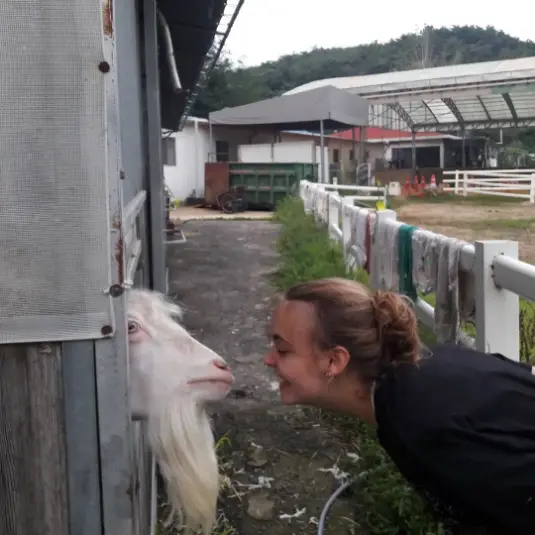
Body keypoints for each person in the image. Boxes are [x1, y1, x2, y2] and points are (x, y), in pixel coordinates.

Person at [264, 277, 535, 534]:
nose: (269, 360)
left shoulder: (421, 422)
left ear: (334, 361)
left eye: (283, 350)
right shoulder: (417, 379)